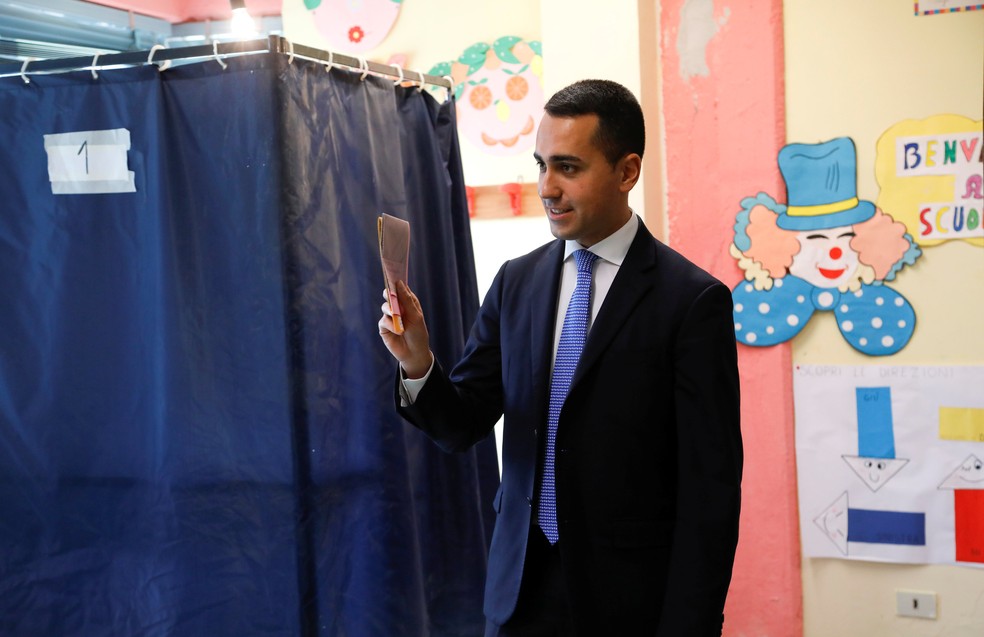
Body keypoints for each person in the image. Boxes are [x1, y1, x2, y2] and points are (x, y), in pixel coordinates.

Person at [378, 79, 742, 636]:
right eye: (541, 164)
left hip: (631, 607)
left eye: (568, 167)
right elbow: (463, 423)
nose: (547, 187)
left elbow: (710, 488)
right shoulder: (516, 281)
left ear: (627, 171)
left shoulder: (691, 301)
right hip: (519, 594)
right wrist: (419, 364)